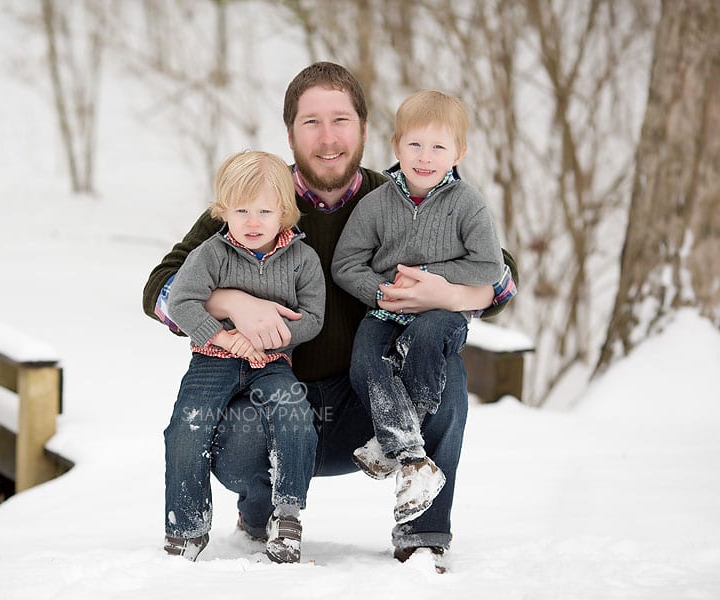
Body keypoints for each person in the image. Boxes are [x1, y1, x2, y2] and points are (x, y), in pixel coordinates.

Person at [143, 62, 517, 567]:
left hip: (366, 406)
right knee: (238, 437)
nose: (327, 138)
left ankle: (422, 533)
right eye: (310, 122)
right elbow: (160, 286)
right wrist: (232, 303)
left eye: (341, 120)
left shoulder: (399, 194)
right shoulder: (257, 202)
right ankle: (260, 514)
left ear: (365, 129)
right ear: (290, 132)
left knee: (444, 366)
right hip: (272, 394)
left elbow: (501, 274)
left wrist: (448, 294)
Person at [331, 90, 506, 527]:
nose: (425, 157)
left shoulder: (468, 204)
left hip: (440, 314)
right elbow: (345, 263)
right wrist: (380, 290)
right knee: (365, 361)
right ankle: (411, 456)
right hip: (386, 310)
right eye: (415, 145)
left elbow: (489, 266)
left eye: (438, 147)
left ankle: (390, 444)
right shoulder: (376, 205)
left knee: (426, 344)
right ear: (396, 146)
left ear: (458, 153)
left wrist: (433, 278)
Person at [162, 150, 325, 564]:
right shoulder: (210, 254)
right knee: (186, 427)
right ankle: (187, 527)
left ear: (285, 213)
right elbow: (181, 301)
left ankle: (286, 515)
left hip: (273, 363)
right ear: (223, 211)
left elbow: (314, 317)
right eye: (241, 210)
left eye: (265, 211)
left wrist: (272, 339)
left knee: (295, 416)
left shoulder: (302, 261)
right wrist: (223, 336)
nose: (253, 222)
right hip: (211, 359)